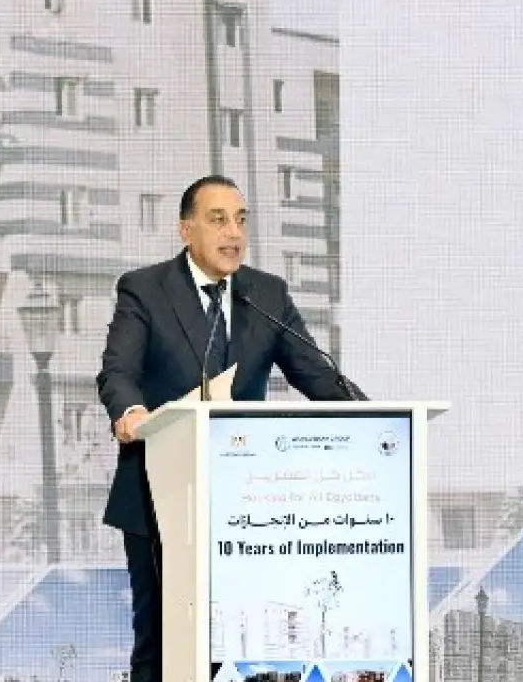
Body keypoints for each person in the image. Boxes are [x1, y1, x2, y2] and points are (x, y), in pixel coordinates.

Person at [95, 174, 360, 681]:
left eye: (241, 220)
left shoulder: (266, 294)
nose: (233, 232)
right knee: (162, 643)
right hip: (159, 493)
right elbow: (118, 372)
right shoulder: (145, 289)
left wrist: (379, 421)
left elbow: (317, 376)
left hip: (246, 499)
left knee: (240, 645)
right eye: (218, 220)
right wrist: (129, 413)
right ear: (186, 229)